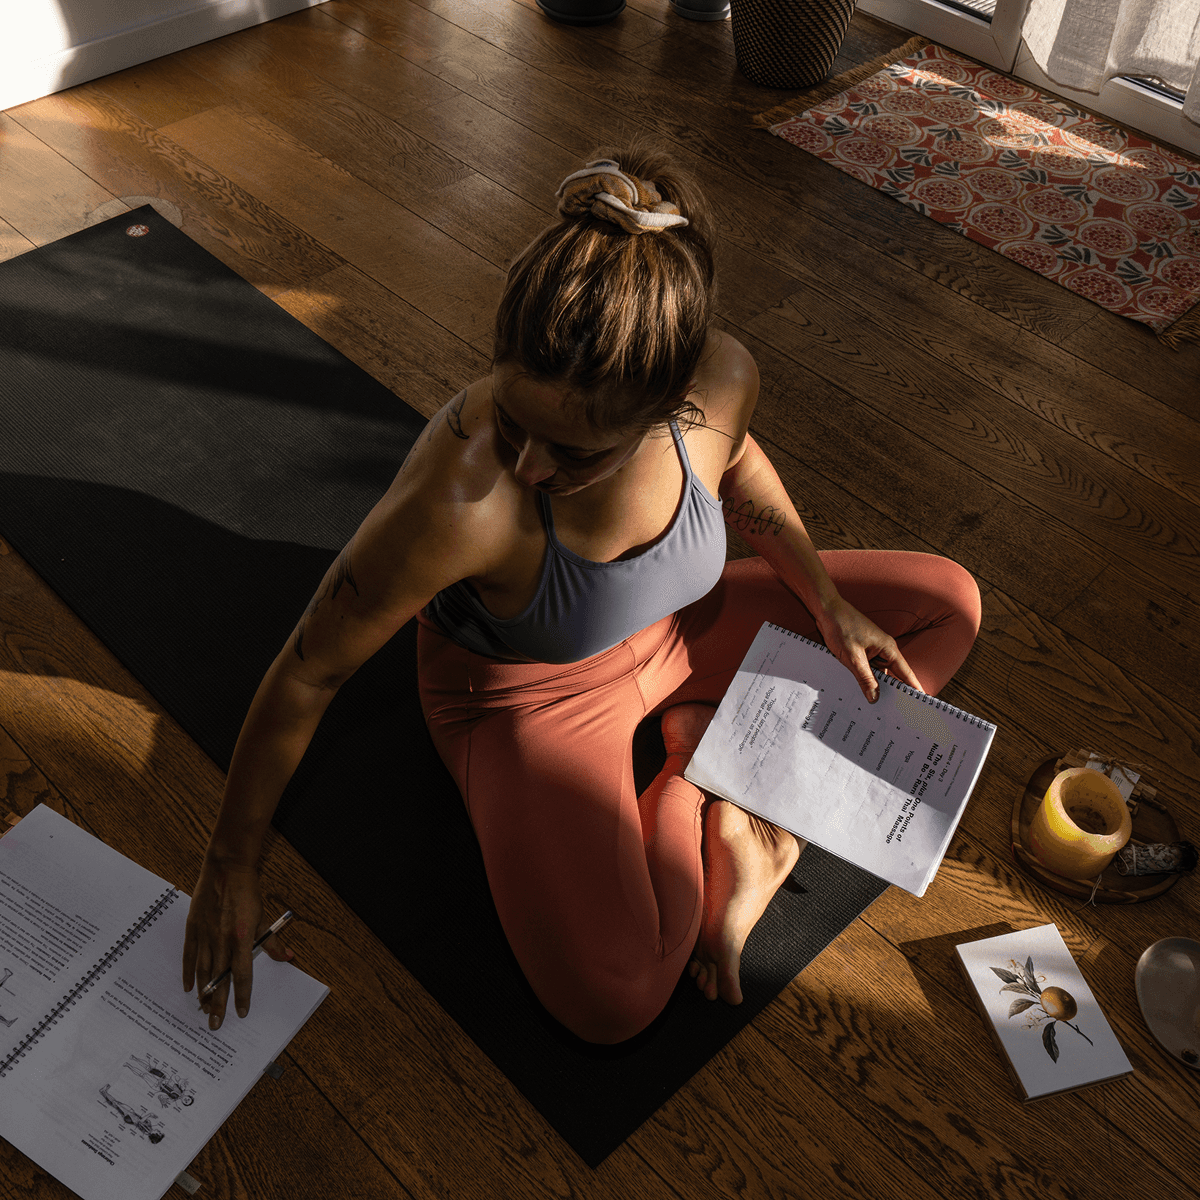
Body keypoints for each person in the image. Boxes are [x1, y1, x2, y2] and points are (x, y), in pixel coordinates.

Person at [182, 144, 981, 1044]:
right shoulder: (464, 498)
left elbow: (741, 460)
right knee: (616, 998)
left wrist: (830, 604)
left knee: (944, 607)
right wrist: (229, 864)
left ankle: (712, 755)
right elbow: (307, 673)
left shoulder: (722, 379)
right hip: (532, 699)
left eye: (574, 451)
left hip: (681, 631)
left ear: (671, 404)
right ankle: (696, 785)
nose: (529, 464)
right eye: (516, 422)